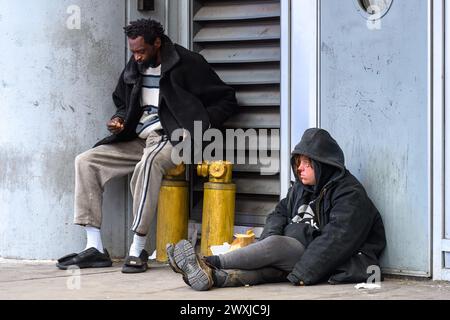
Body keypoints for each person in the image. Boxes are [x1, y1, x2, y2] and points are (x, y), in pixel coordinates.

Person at [56, 19, 237, 273]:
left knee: (149, 163)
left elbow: (227, 99)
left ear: (157, 43)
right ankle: (95, 247)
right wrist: (119, 119)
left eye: (141, 51)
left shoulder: (187, 63)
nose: (137, 57)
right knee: (86, 161)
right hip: (138, 138)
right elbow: (122, 100)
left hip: (173, 138)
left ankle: (137, 247)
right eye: (133, 51)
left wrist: (200, 125)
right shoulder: (135, 65)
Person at [167, 128, 386, 290]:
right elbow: (279, 213)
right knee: (264, 271)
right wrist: (268, 240)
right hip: (293, 251)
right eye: (297, 162)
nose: (299, 168)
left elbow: (337, 239)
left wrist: (303, 272)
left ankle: (206, 261)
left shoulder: (350, 194)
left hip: (316, 255)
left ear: (323, 163)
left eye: (306, 163)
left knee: (275, 246)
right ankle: (210, 277)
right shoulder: (301, 188)